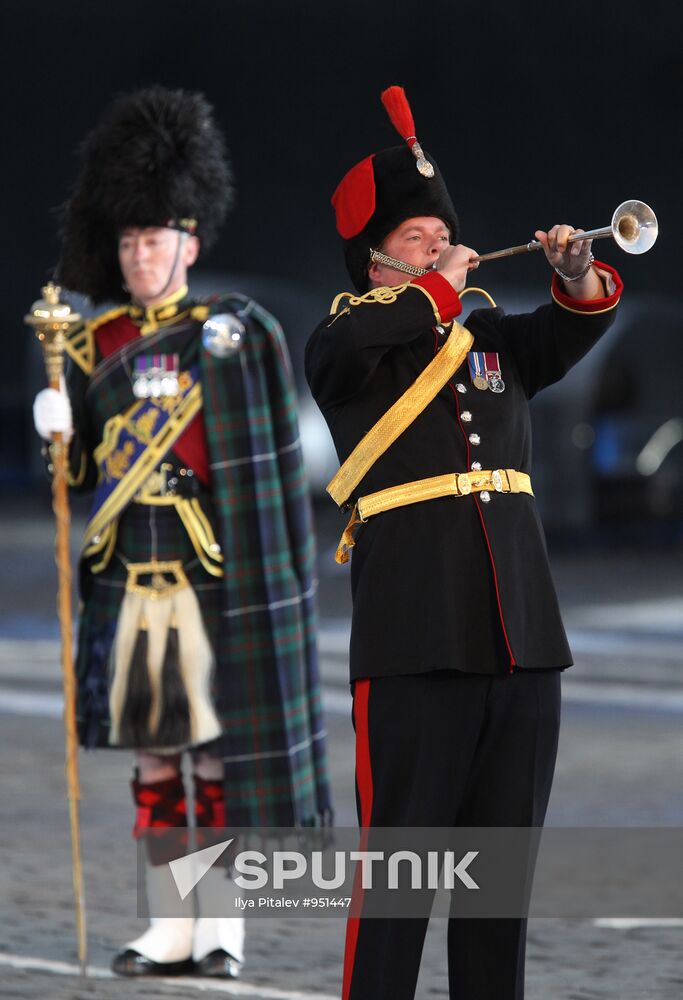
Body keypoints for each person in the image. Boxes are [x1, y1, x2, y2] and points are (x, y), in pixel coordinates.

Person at [305, 86, 623, 1000]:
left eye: (443, 236)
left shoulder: (485, 337)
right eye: (416, 241)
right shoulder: (346, 338)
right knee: (399, 886)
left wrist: (570, 272)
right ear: (372, 264)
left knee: (497, 893)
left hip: (519, 640)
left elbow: (566, 333)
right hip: (415, 640)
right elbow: (348, 352)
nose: (441, 249)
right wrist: (441, 286)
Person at [33, 86, 332, 978]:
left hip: (211, 576)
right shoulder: (97, 344)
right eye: (127, 242)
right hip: (132, 575)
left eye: (154, 240)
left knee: (217, 762)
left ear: (189, 245)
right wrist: (58, 433)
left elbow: (267, 466)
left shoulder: (230, 333)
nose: (138, 256)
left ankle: (222, 928)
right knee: (158, 762)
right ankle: (170, 925)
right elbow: (81, 479)